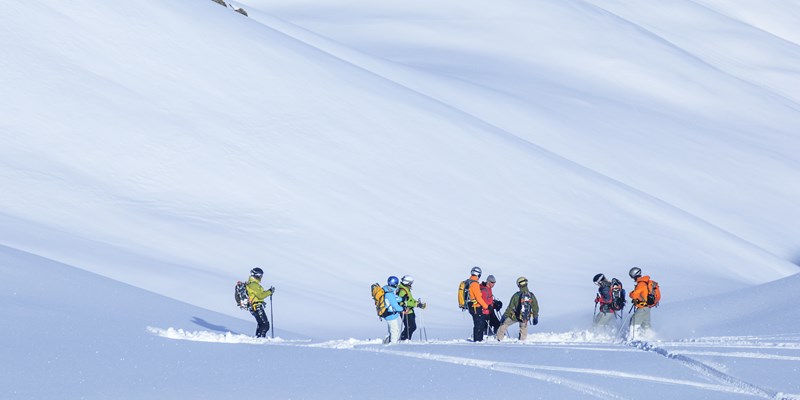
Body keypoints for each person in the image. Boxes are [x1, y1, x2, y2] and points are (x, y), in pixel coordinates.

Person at [496, 276, 539, 341]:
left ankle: (498, 339)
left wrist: (504, 316)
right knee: (523, 330)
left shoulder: (516, 295)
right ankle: (522, 341)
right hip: (525, 317)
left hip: (514, 316)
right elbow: (535, 307)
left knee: (504, 325)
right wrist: (535, 317)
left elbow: (510, 308)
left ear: (519, 285)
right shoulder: (531, 295)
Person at [245, 267, 275, 338]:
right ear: (256, 275)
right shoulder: (253, 285)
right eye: (260, 275)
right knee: (265, 325)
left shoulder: (253, 284)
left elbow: (259, 294)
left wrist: (269, 291)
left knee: (261, 324)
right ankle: (260, 338)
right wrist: (270, 292)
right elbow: (260, 296)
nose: (261, 277)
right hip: (256, 306)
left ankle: (259, 337)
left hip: (254, 306)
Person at [628, 267, 658, 334]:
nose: (632, 278)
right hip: (647, 308)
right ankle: (649, 336)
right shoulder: (645, 282)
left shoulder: (641, 284)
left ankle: (633, 337)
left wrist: (631, 294)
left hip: (642, 308)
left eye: (631, 276)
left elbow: (634, 295)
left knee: (633, 323)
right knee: (646, 325)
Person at [396, 275, 426, 341]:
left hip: (410, 311)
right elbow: (402, 302)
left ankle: (405, 339)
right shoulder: (403, 291)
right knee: (410, 327)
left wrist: (418, 303)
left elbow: (410, 300)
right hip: (405, 311)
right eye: (411, 283)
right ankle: (404, 339)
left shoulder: (406, 289)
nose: (411, 284)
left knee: (411, 327)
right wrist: (416, 304)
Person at [466, 266, 491, 342]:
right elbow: (478, 298)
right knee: (479, 324)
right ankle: (477, 341)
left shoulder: (469, 282)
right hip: (475, 307)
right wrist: (486, 306)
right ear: (478, 274)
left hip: (471, 306)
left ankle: (478, 340)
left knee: (478, 323)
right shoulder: (475, 284)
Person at [382, 276, 405, 344]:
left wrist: (402, 299)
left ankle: (386, 342)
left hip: (387, 314)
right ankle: (393, 345)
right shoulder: (389, 294)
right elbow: (396, 306)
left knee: (391, 330)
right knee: (395, 331)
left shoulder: (386, 290)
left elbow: (395, 298)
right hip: (391, 315)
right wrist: (403, 308)